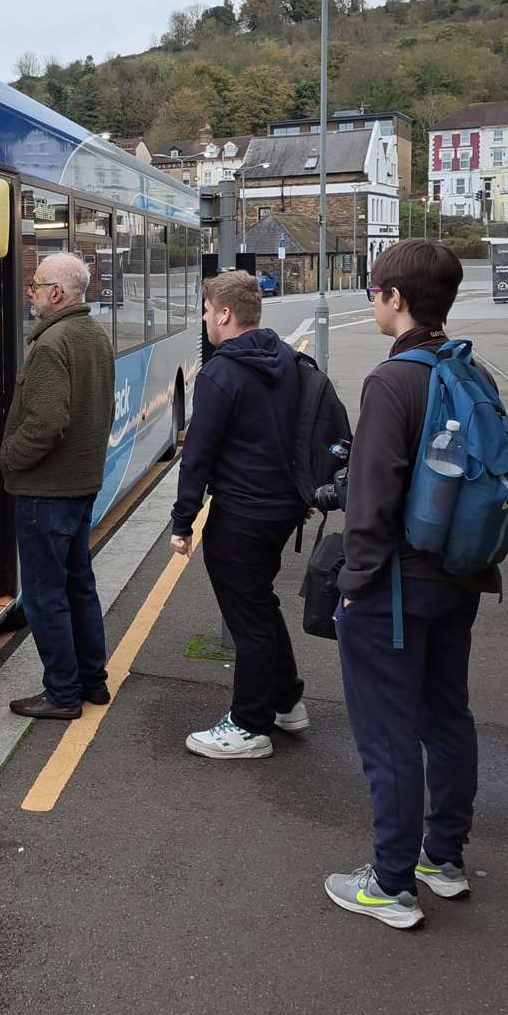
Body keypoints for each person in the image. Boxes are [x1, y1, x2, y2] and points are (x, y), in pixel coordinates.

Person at [324, 239, 498, 930]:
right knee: (446, 716)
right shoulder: (469, 368)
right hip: (459, 574)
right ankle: (442, 860)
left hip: (393, 588)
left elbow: (370, 500)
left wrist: (353, 585)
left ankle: (390, 885)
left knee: (388, 735)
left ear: (394, 298)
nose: (371, 301)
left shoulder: (393, 380)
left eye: (373, 291)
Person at [169, 270, 308, 758]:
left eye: (207, 311)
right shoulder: (289, 359)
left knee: (247, 616)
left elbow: (198, 456)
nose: (205, 319)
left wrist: (183, 521)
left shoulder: (220, 373)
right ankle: (287, 699)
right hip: (284, 508)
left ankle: (250, 726)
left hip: (242, 513)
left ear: (224, 314)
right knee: (260, 604)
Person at [2, 252, 116, 720]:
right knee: (79, 587)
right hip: (81, 483)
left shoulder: (52, 343)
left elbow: (47, 422)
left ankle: (62, 694)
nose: (30, 292)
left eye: (35, 284)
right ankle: (93, 683)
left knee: (46, 596)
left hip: (45, 490)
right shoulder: (94, 334)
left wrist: (9, 458)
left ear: (57, 293)